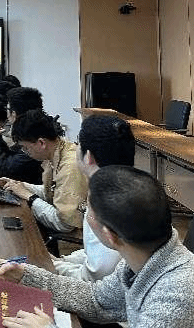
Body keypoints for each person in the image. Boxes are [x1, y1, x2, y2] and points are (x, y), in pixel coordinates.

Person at [0, 166, 194, 328]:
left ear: (109, 236)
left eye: (87, 209)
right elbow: (97, 301)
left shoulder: (174, 302)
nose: (84, 212)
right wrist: (25, 275)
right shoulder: (147, 257)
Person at [54, 114, 135, 282]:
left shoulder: (106, 203)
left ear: (88, 156)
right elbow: (92, 252)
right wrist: (63, 261)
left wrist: (55, 267)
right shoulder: (127, 186)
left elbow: (97, 273)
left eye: (78, 145)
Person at [0, 110, 87, 233]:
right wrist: (18, 186)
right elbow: (53, 191)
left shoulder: (70, 167)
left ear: (41, 143)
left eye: (25, 148)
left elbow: (64, 224)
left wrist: (30, 197)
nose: (26, 152)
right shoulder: (58, 151)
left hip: (70, 238)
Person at [0, 87, 44, 184]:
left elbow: (4, 169)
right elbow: (11, 158)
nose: (6, 114)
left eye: (7, 109)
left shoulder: (33, 137)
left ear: (13, 114)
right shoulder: (35, 128)